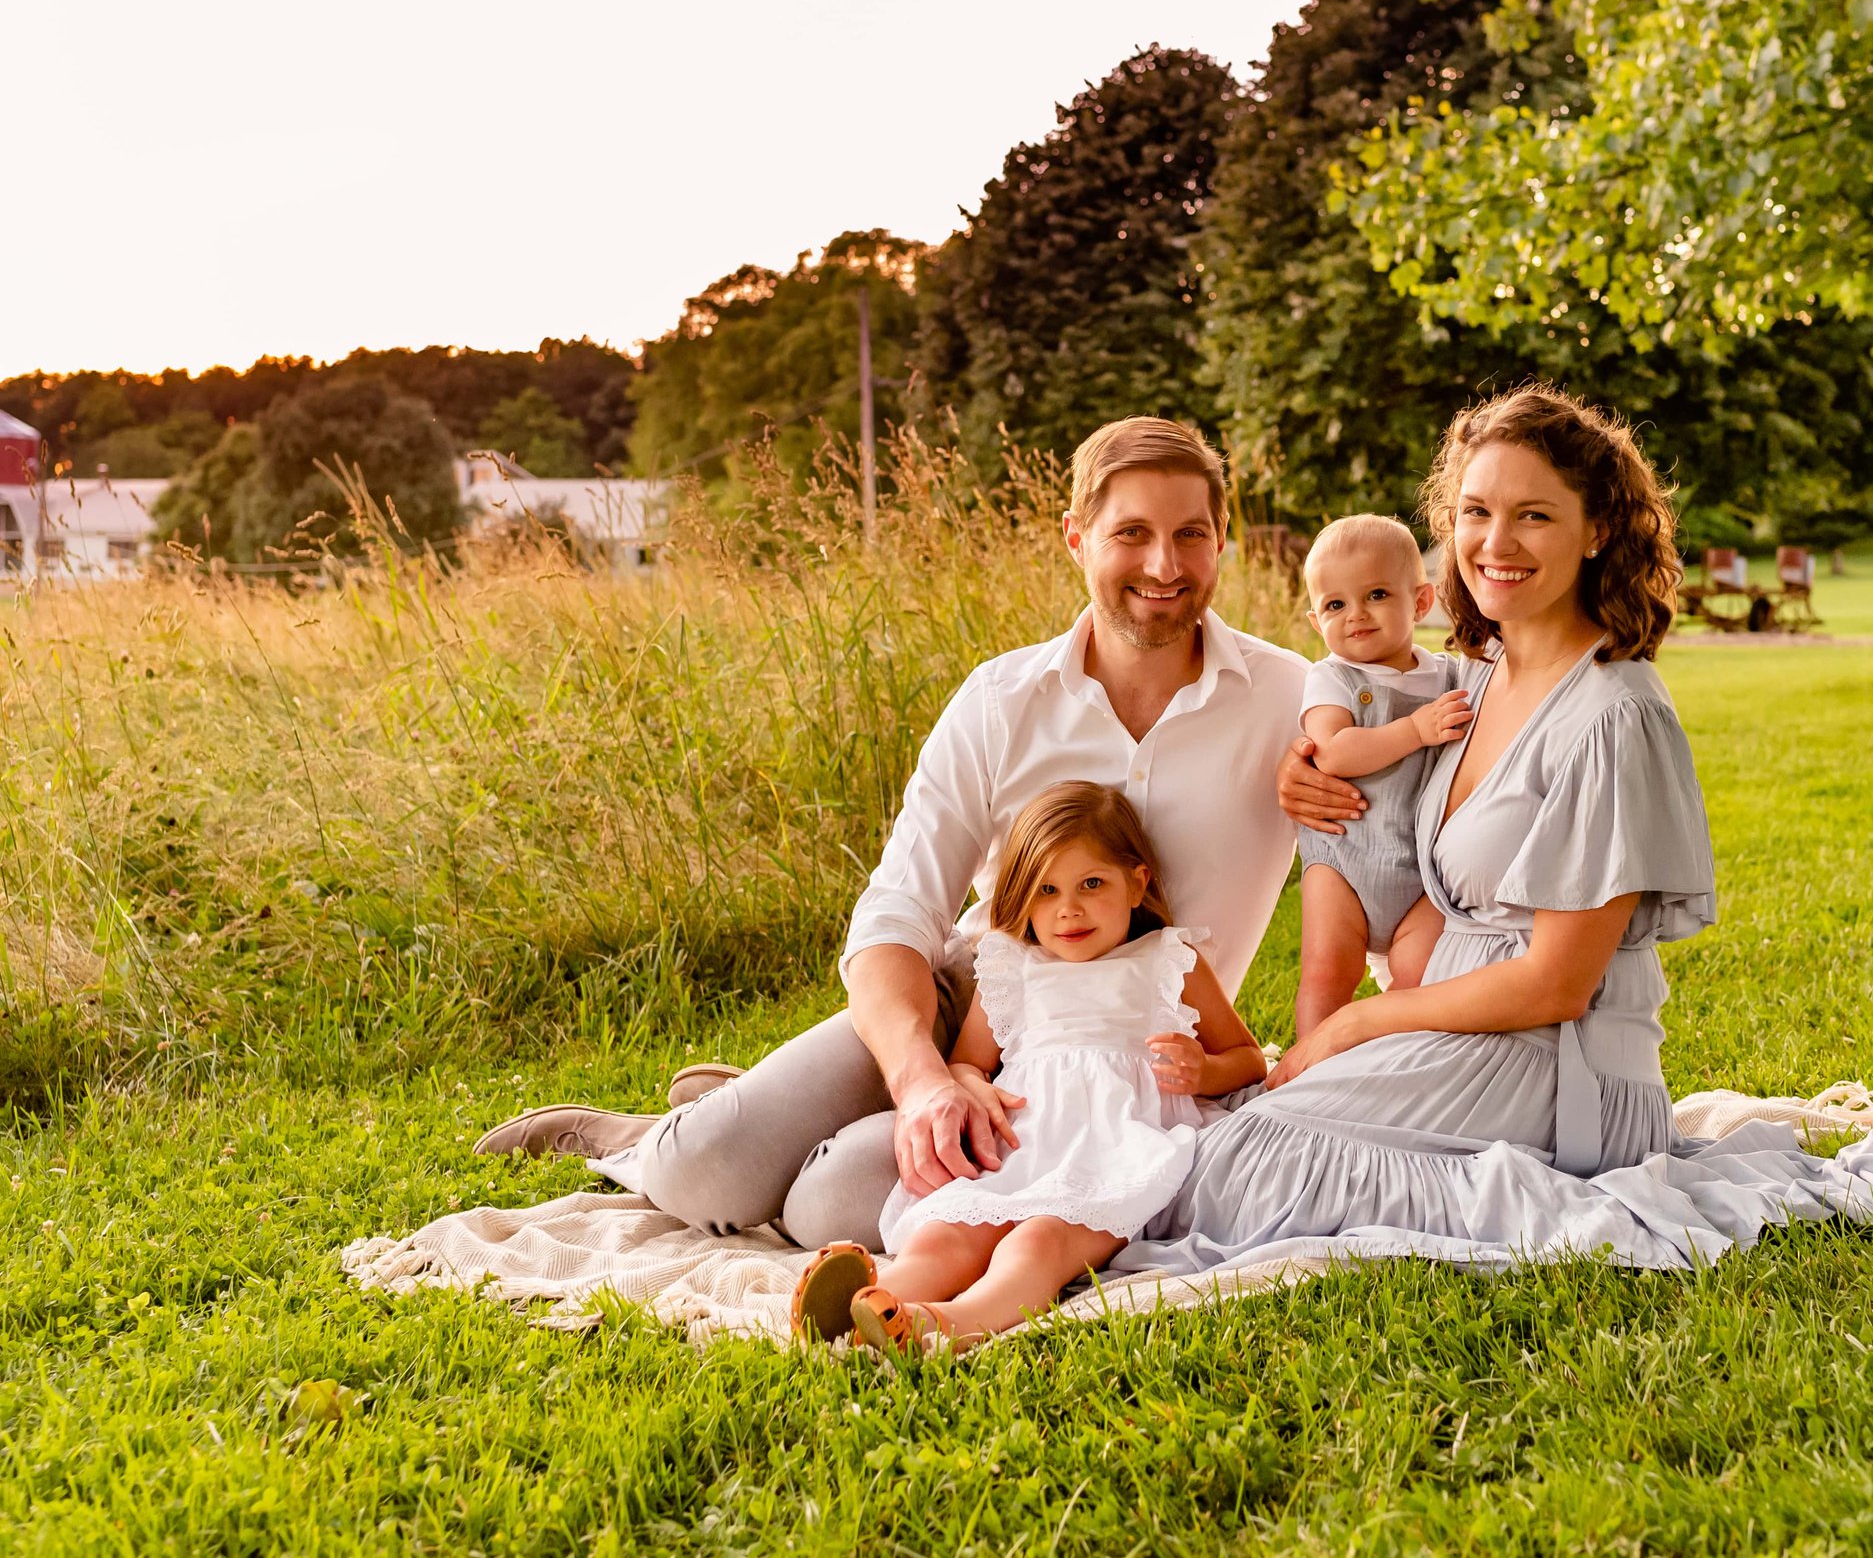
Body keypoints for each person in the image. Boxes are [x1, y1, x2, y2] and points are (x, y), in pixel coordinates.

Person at [1115, 384, 1873, 1277]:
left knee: (1239, 1167)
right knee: (1221, 1132)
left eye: (1534, 514)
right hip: (1448, 1038)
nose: (1497, 542)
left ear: (1597, 527)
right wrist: (1309, 766)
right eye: (1477, 512)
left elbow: (1556, 983)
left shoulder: (1614, 713)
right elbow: (1367, 716)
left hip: (1553, 1068)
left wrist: (1356, 1025)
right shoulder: (1478, 676)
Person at [472, 417, 1310, 1252]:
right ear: (1076, 538)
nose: (1164, 566)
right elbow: (899, 909)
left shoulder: (1292, 702)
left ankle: (769, 1109)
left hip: (1125, 1064)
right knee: (710, 1168)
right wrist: (921, 1081)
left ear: (1221, 540)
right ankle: (659, 1134)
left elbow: (1392, 874)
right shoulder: (1000, 700)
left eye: (1189, 535)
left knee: (835, 1205)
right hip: (972, 1002)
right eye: (1132, 533)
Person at [788, 781, 1266, 1353]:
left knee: (1036, 1245)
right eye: (1046, 890)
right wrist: (969, 1087)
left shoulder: (1169, 960)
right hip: (1020, 1143)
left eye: (1092, 883)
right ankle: (868, 1301)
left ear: (1137, 882)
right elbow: (967, 1064)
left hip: (1114, 1150)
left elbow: (1248, 1057)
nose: (1069, 908)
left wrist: (1203, 1073)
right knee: (947, 1235)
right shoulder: (1012, 968)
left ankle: (949, 1324)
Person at [1289, 514, 1469, 1040]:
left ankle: (1373, 1057)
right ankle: (1308, 1068)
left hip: (1423, 876)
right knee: (1327, 972)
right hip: (1344, 862)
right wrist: (1415, 729)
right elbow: (1334, 752)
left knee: (1417, 978)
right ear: (1315, 621)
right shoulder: (1332, 677)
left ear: (1420, 601)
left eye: (1376, 595)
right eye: (1335, 605)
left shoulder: (1449, 675)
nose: (1355, 615)